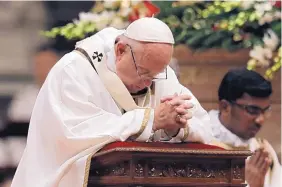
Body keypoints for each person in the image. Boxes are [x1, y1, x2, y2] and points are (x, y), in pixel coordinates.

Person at [11, 18, 213, 187]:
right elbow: (75, 132)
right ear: (120, 51)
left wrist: (176, 125)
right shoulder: (73, 71)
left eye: (156, 75)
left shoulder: (159, 72)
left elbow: (204, 126)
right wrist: (151, 119)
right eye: (143, 73)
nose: (148, 83)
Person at [208, 68, 281, 187]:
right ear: (225, 107)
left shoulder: (263, 152)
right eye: (252, 110)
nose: (260, 120)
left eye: (265, 110)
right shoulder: (199, 147)